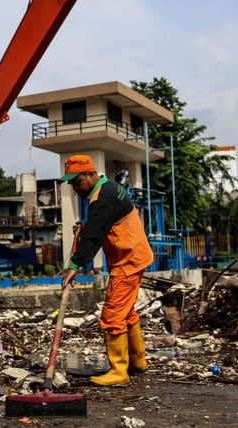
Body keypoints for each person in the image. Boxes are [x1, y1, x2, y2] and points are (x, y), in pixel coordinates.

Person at [59, 155, 153, 386]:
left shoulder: (102, 198)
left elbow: (94, 236)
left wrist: (73, 266)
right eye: (71, 184)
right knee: (126, 312)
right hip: (132, 256)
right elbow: (99, 224)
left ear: (91, 174)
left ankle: (119, 371)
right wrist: (87, 225)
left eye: (77, 182)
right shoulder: (109, 188)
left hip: (127, 261)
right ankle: (138, 361)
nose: (75, 188)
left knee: (112, 316)